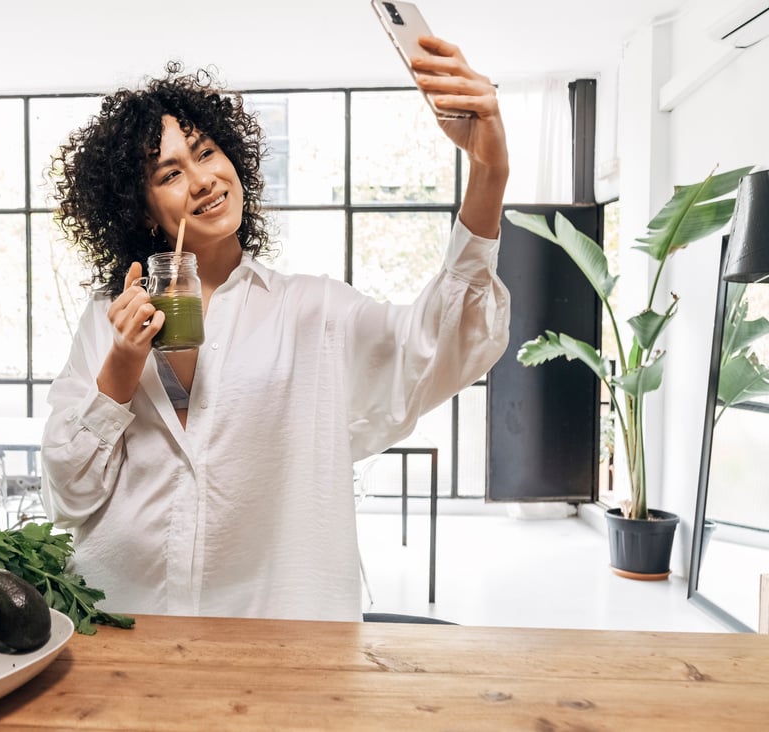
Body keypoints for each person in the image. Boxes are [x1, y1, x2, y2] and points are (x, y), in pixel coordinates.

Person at [42, 37, 510, 622]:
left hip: (275, 634)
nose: (202, 179)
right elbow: (69, 495)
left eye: (206, 152)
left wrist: (489, 172)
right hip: (122, 624)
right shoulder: (105, 320)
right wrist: (120, 366)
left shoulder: (311, 311)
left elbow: (446, 339)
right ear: (139, 209)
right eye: (169, 173)